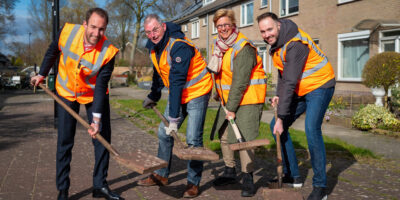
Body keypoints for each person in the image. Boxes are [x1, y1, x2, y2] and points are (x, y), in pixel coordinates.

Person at [31, 8, 123, 200]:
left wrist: (96, 120)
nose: (96, 33)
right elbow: (52, 51)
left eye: (102, 29)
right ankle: (63, 189)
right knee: (65, 141)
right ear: (84, 24)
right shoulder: (67, 32)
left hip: (92, 95)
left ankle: (100, 186)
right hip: (66, 92)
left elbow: (100, 86)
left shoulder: (109, 52)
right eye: (93, 27)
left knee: (101, 139)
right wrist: (42, 73)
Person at [257, 12, 336, 200]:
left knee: (311, 129)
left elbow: (290, 81)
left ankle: (320, 187)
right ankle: (293, 175)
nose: (267, 34)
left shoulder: (295, 44)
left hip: (320, 85)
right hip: (302, 86)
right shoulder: (277, 44)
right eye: (262, 31)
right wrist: (278, 95)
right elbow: (283, 75)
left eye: (269, 29)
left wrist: (282, 117)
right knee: (274, 127)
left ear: (278, 26)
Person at [137, 14, 212, 198]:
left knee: (193, 139)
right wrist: (153, 96)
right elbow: (158, 73)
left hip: (197, 91)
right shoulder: (153, 47)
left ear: (163, 26)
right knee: (164, 133)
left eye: (155, 29)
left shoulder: (179, 45)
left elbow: (177, 81)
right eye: (148, 32)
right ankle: (161, 175)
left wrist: (173, 118)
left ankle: (193, 183)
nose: (153, 35)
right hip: (179, 92)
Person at [208, 9, 267, 197]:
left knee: (244, 139)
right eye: (219, 26)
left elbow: (240, 81)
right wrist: (218, 93)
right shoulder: (219, 46)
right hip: (229, 99)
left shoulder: (243, 47)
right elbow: (222, 74)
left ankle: (248, 178)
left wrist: (231, 108)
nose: (223, 28)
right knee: (225, 135)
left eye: (226, 25)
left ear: (233, 25)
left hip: (247, 99)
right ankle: (229, 171)